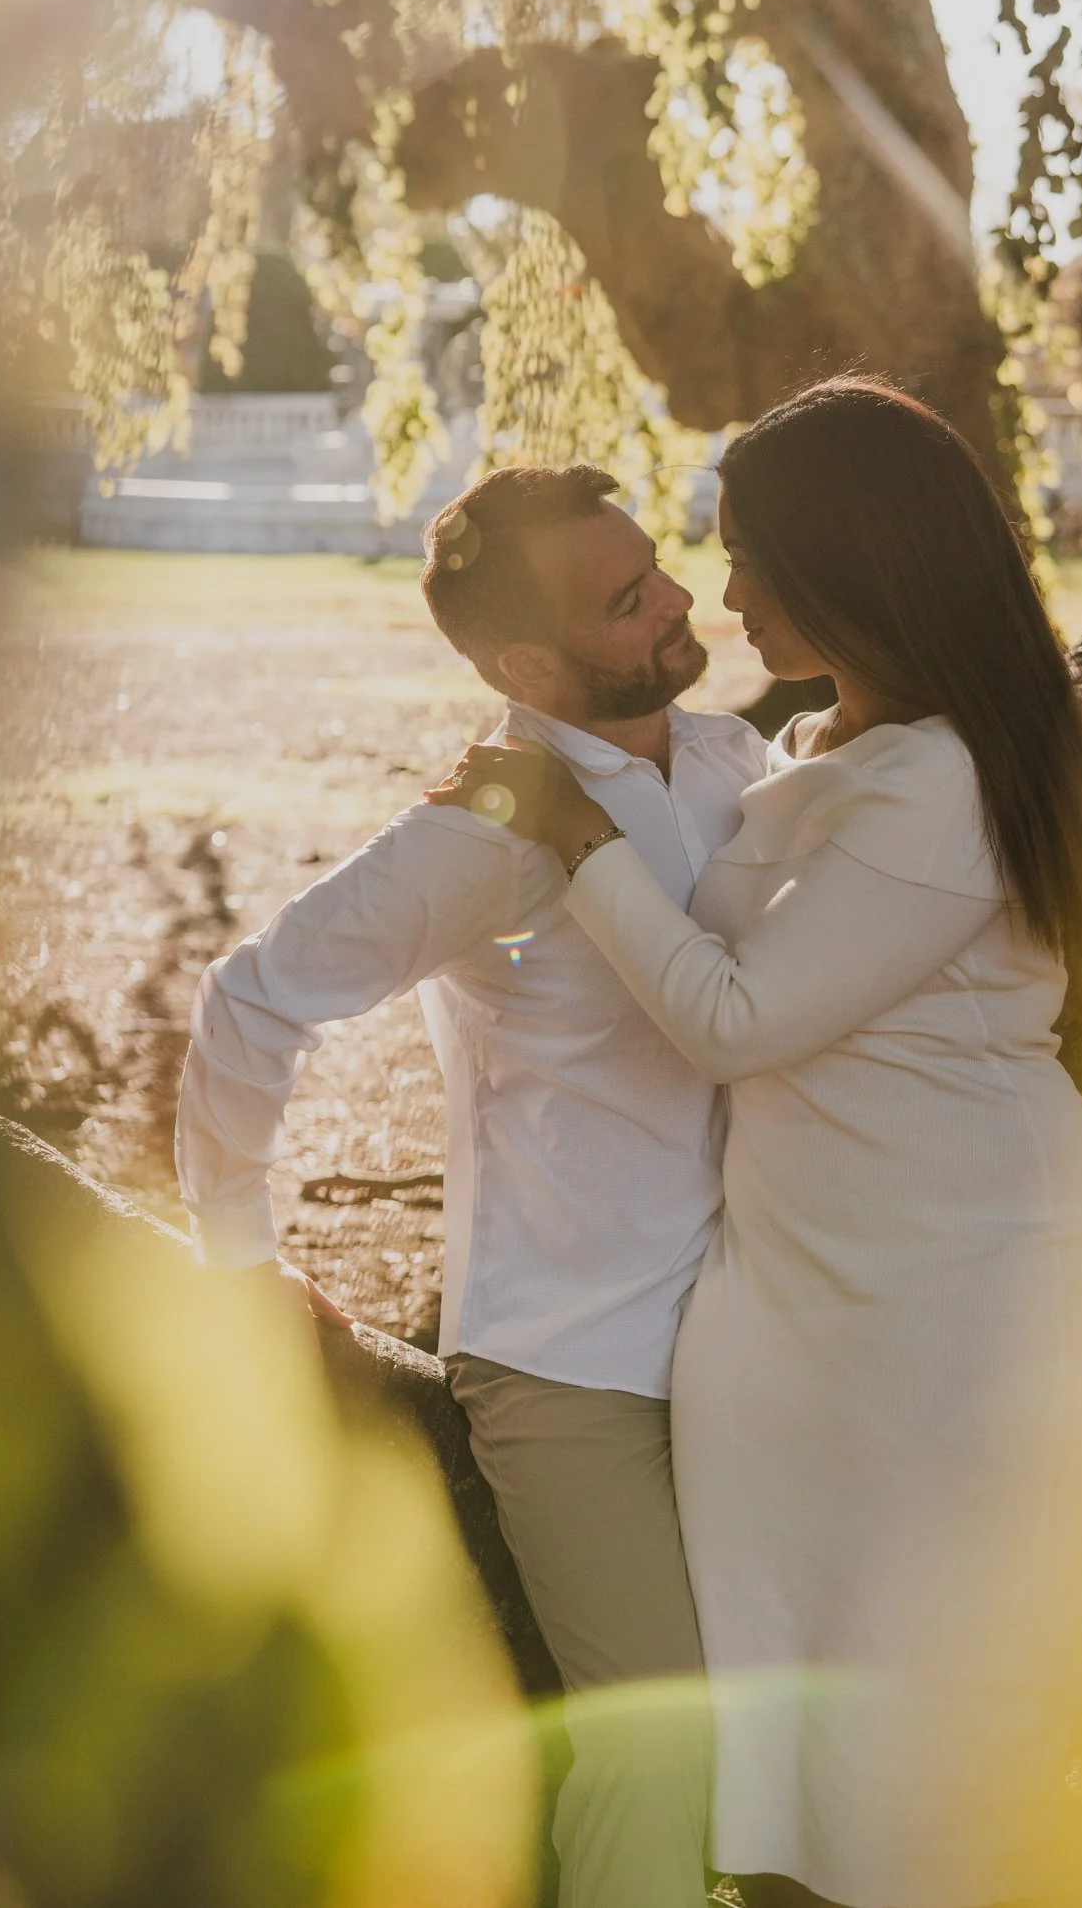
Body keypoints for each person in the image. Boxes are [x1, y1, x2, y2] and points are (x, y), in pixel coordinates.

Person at [431, 379, 1082, 1908]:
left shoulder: (941, 781)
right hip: (809, 1302)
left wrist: (575, 835)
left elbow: (738, 1018)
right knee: (790, 1739)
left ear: (852, 566)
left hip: (955, 1301)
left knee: (927, 1741)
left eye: (751, 555)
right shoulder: (820, 743)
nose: (723, 589)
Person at [176, 462, 769, 1908]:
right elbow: (251, 1002)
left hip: (752, 1342)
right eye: (628, 601)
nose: (679, 600)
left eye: (659, 568)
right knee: (654, 1743)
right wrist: (238, 1271)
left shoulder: (731, 766)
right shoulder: (485, 825)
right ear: (523, 664)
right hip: (570, 1362)